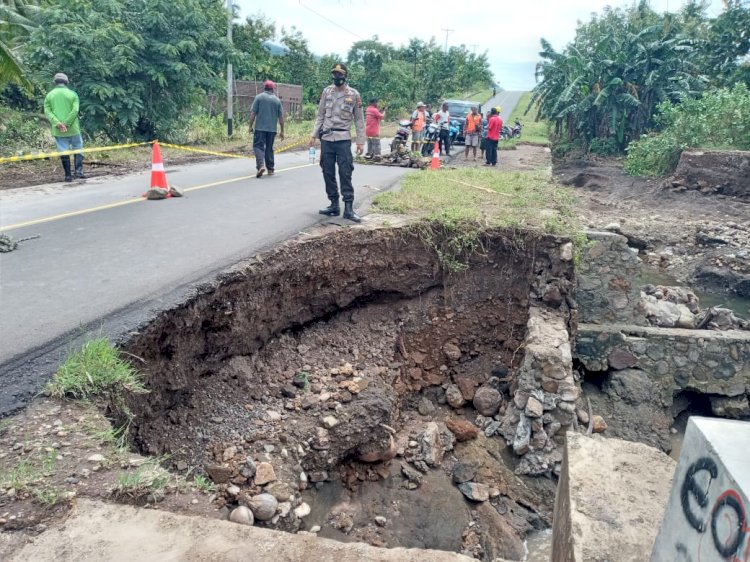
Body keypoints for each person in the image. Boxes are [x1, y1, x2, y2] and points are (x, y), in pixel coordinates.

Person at [310, 63, 365, 223]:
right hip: (326, 139)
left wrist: (360, 141)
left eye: (340, 74)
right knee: (327, 172)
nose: (337, 77)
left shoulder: (354, 94)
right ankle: (334, 204)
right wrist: (313, 134)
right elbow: (320, 115)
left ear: (345, 76)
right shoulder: (327, 92)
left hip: (343, 140)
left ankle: (348, 208)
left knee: (345, 172)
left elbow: (359, 120)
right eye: (335, 74)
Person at [43, 72, 84, 182]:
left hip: (58, 130)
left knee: (63, 151)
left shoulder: (49, 95)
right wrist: (66, 124)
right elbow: (75, 110)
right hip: (73, 128)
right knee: (78, 148)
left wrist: (58, 124)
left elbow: (48, 112)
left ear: (55, 82)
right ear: (66, 82)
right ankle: (78, 172)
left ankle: (67, 175)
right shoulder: (73, 94)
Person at [249, 80, 285, 178]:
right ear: (273, 89)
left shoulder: (259, 97)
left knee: (258, 146)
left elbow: (253, 113)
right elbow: (281, 117)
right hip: (272, 130)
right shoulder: (277, 100)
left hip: (260, 128)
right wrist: (282, 131)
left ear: (264, 88)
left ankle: (261, 165)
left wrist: (250, 126)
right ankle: (270, 169)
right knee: (269, 148)